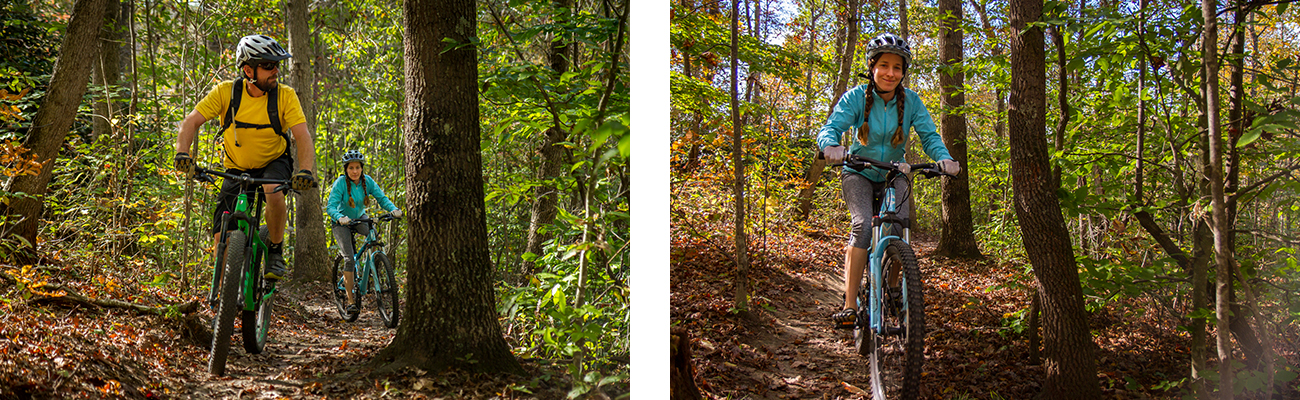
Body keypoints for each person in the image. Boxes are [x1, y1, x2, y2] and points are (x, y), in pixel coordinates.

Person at [817, 33, 961, 327]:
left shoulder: (912, 102)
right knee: (862, 228)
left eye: (897, 67)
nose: (890, 73)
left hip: (895, 172)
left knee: (898, 226)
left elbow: (930, 135)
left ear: (903, 72)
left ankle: (894, 285)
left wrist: (944, 158)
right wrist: (830, 146)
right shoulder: (856, 97)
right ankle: (849, 304)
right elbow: (833, 125)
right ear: (872, 67)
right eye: (884, 65)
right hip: (858, 171)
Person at [173, 34, 318, 282]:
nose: (275, 71)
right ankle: (224, 300)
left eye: (276, 65)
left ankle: (275, 250)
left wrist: (304, 170)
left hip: (274, 161)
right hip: (236, 166)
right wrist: (183, 154)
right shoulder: (226, 93)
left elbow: (302, 136)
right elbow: (191, 122)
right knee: (221, 239)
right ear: (248, 70)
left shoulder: (285, 95)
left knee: (273, 189)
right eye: (268, 65)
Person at [325, 150, 402, 318]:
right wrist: (340, 217)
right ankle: (351, 301)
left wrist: (393, 209)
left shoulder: (368, 182)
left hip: (359, 218)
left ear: (362, 168)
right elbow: (330, 206)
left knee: (373, 236)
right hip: (341, 222)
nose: (354, 171)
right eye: (351, 168)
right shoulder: (340, 183)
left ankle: (373, 267)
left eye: (357, 167)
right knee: (349, 259)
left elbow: (382, 199)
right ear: (346, 169)